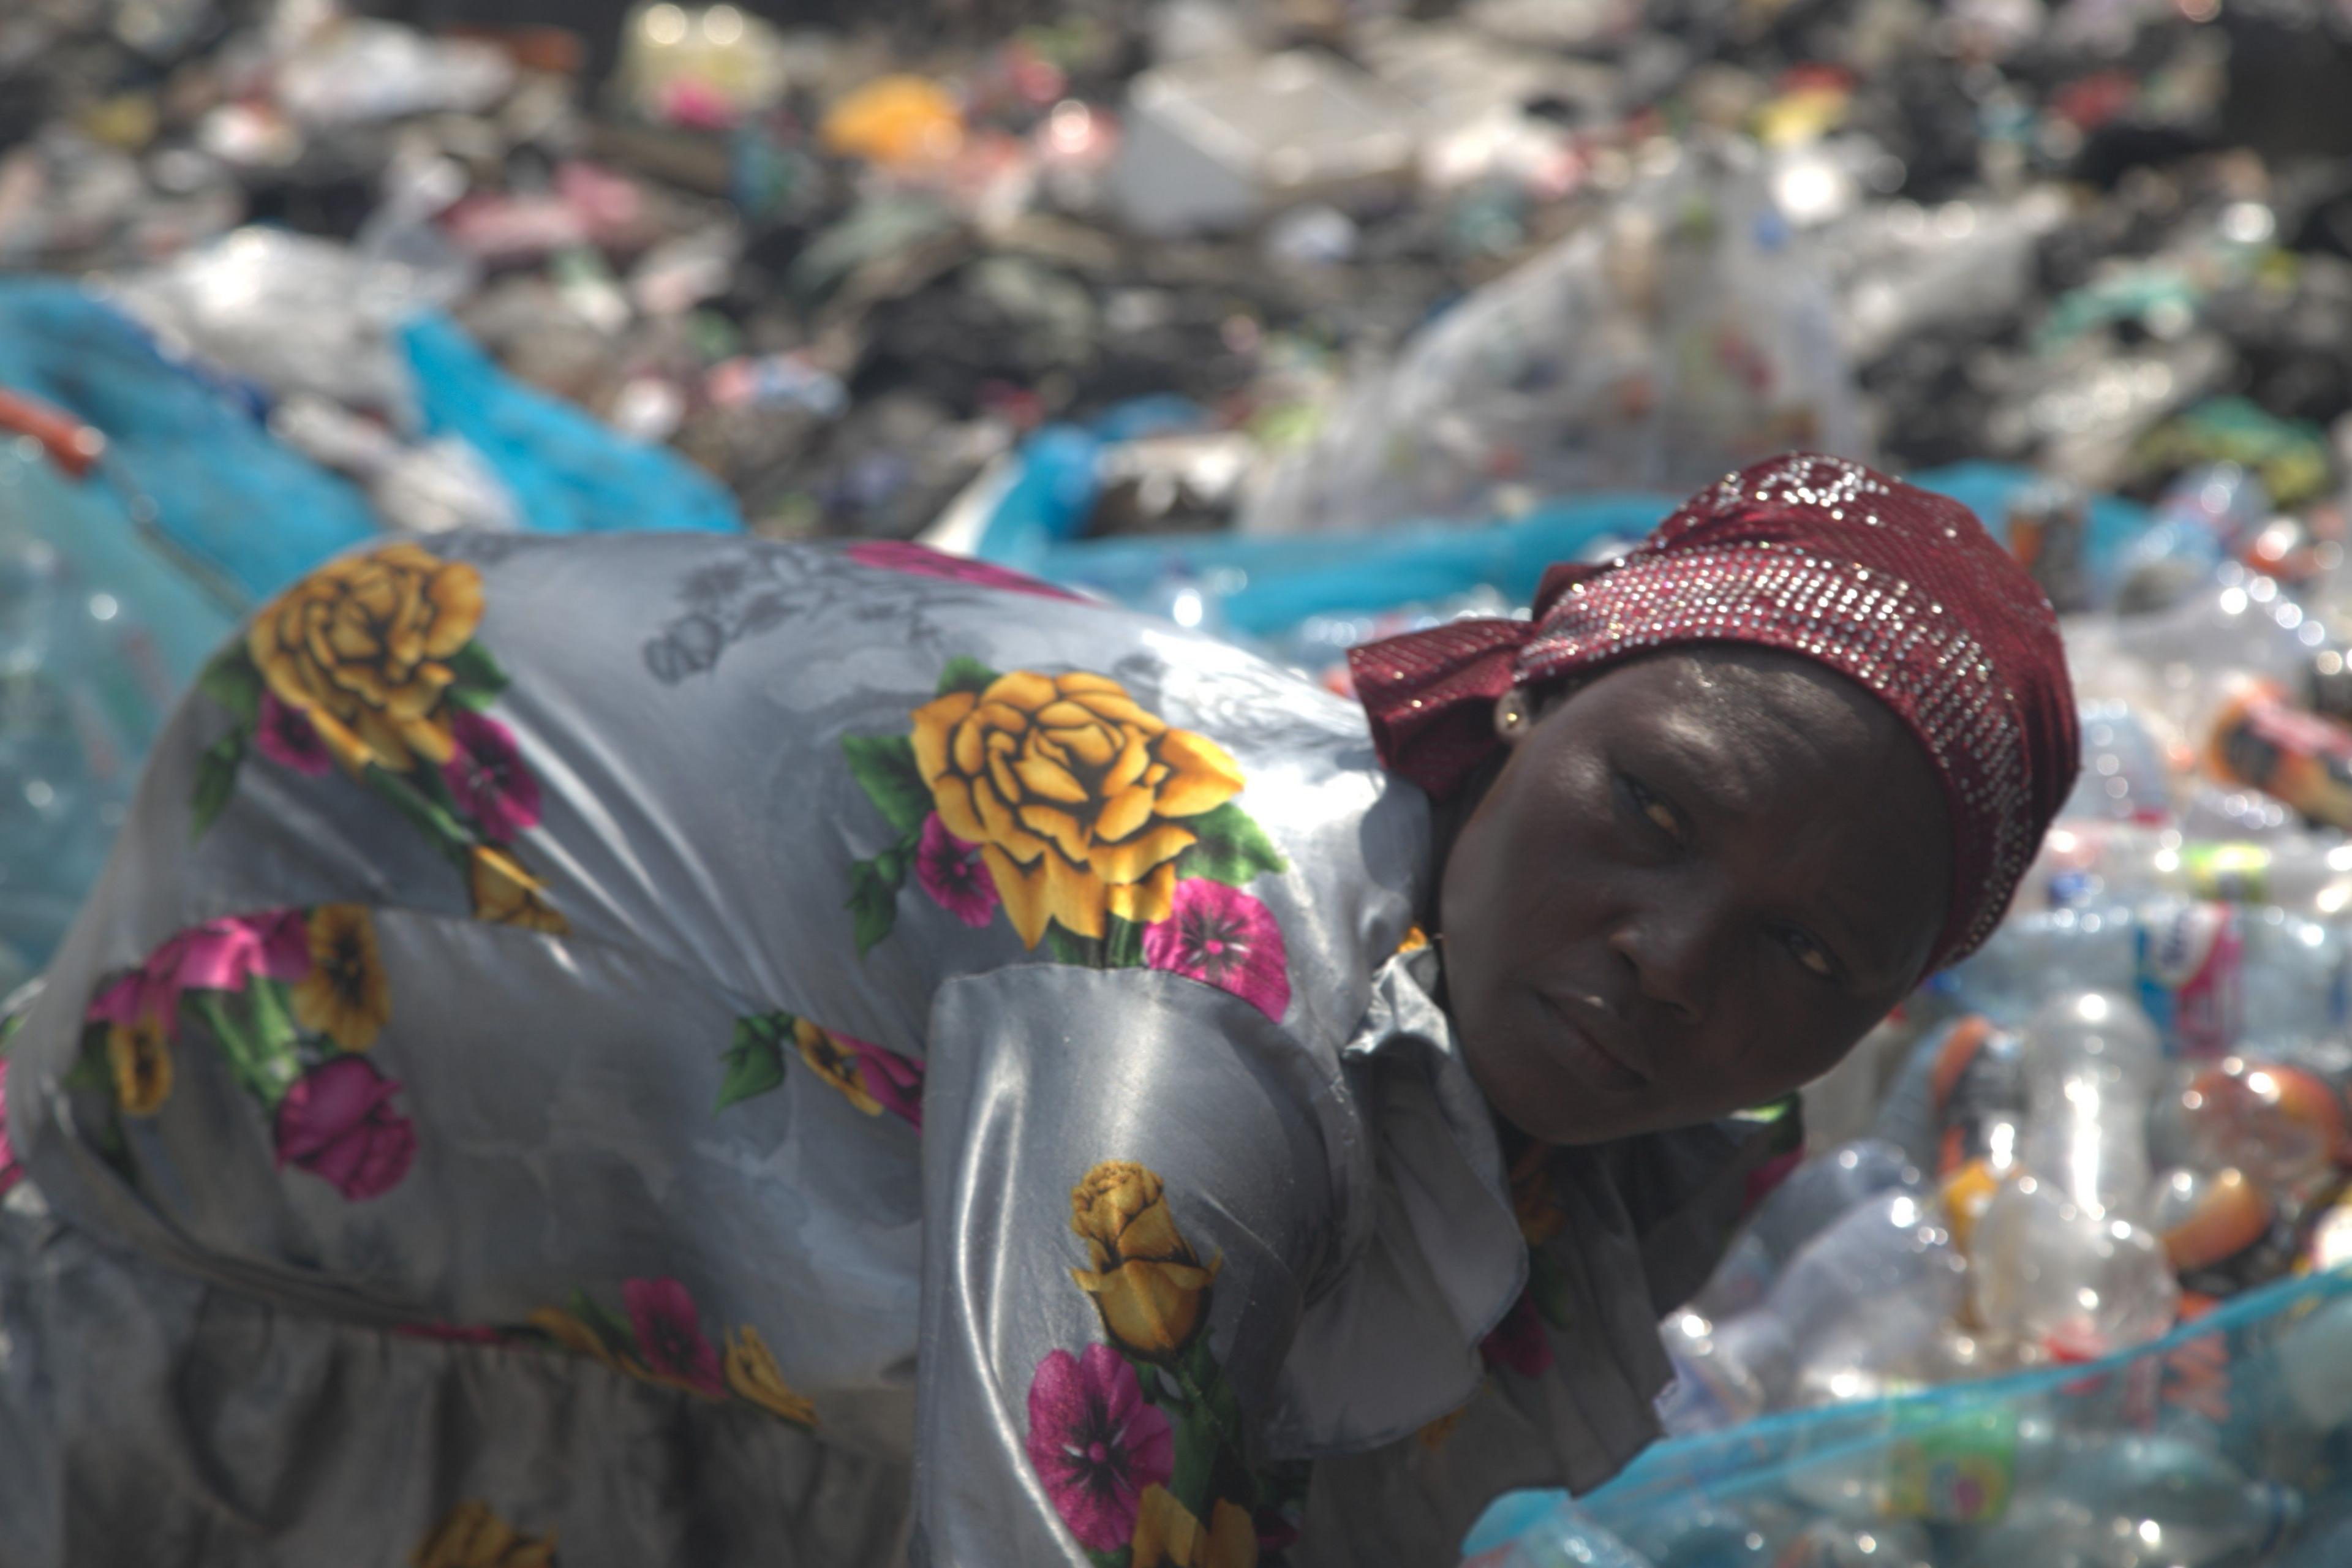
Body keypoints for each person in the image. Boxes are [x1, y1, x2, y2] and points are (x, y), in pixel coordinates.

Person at [0, 453, 2075, 1566]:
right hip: (341, 886)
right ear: (1520, 702)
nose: (1677, 958)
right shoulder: (1195, 997)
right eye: (1651, 812)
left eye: (1809, 954)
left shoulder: (1677, 1106)